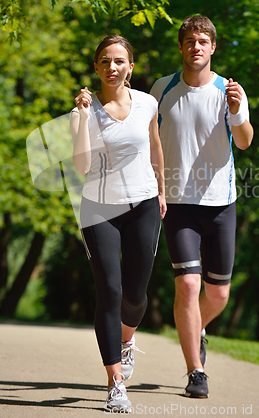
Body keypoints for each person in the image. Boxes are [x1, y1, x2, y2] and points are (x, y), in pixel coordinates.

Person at [150, 15, 254, 398]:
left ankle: (195, 329)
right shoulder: (162, 89)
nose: (196, 47)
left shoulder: (230, 90)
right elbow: (150, 142)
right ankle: (196, 371)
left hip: (221, 204)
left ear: (213, 48)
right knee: (189, 286)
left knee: (218, 295)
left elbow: (244, 142)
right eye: (190, 41)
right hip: (177, 204)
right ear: (181, 47)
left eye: (203, 41)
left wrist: (238, 111)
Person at [70, 35, 166, 412]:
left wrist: (161, 190)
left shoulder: (147, 103)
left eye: (119, 61)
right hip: (98, 208)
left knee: (135, 294)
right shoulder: (86, 110)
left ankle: (127, 340)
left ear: (130, 66)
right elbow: (80, 165)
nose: (112, 67)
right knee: (109, 291)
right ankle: (115, 383)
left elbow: (155, 145)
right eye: (105, 61)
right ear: (96, 68)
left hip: (143, 202)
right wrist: (80, 118)